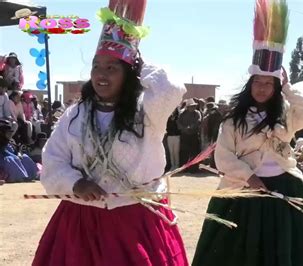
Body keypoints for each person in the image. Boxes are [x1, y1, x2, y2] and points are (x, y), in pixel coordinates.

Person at [32, 1, 188, 265]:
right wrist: (76, 184)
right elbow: (53, 160)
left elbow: (172, 89)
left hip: (136, 220)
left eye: (112, 68)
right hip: (81, 222)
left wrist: (135, 55)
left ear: (130, 73)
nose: (101, 74)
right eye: (96, 66)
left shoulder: (147, 113)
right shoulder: (76, 115)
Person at [193, 1, 303, 265]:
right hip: (244, 189)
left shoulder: (287, 112)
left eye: (269, 83)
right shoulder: (233, 119)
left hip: (284, 186)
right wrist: (248, 177)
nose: (262, 88)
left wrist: (288, 88)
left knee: (282, 247)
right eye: (258, 82)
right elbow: (224, 157)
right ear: (249, 84)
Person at [177, 99, 202, 172]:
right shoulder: (182, 114)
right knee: (184, 152)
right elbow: (178, 123)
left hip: (194, 135)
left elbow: (198, 121)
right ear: (187, 107)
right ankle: (183, 168)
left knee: (194, 153)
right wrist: (184, 128)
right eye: (191, 106)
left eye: (194, 106)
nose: (193, 108)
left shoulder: (197, 113)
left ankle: (194, 169)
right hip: (185, 136)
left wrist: (191, 127)